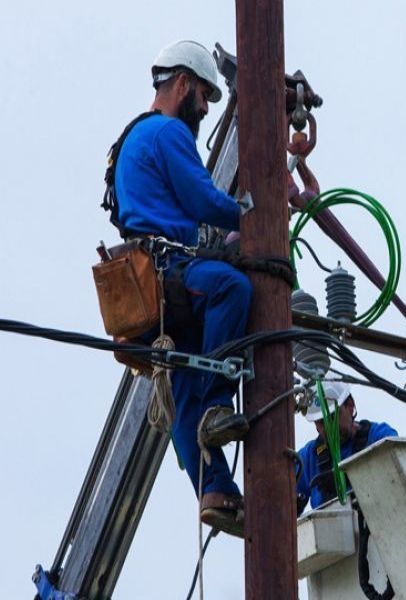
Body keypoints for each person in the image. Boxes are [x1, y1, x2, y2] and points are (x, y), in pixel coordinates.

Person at [112, 40, 249, 536]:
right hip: (167, 270)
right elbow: (202, 199)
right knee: (232, 288)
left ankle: (217, 491)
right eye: (205, 96)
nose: (207, 109)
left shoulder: (131, 139)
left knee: (184, 390)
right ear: (184, 84)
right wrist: (258, 213)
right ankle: (220, 405)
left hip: (148, 280)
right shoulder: (168, 131)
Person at [296, 382, 397, 512]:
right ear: (315, 424)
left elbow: (395, 483)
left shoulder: (379, 437)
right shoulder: (309, 457)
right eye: (321, 422)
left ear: (350, 405)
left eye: (332, 417)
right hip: (331, 530)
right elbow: (284, 503)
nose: (329, 427)